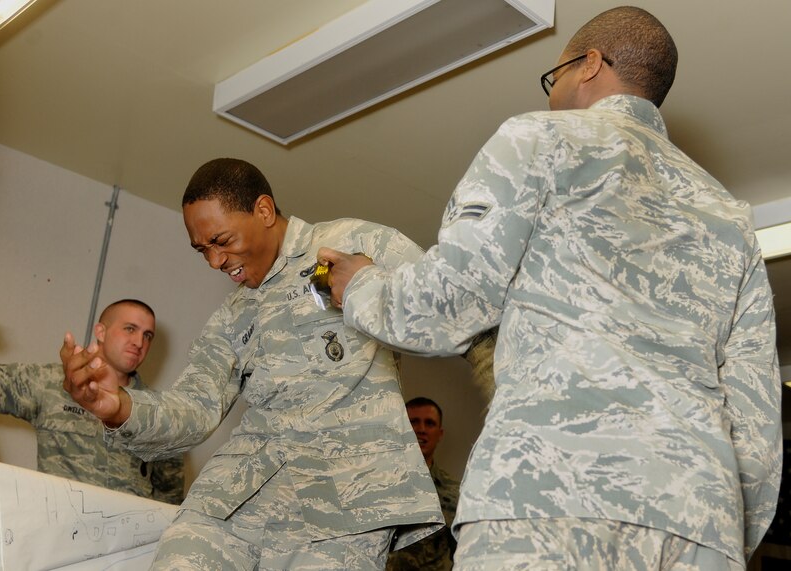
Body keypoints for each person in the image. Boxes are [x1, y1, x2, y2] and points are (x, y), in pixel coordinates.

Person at [318, 6, 782, 570]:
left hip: (543, 499)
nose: (550, 94)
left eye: (553, 76)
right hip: (695, 518)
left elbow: (449, 305)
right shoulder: (729, 216)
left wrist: (360, 284)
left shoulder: (538, 138)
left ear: (588, 64)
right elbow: (756, 424)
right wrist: (724, 532)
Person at [60, 158, 442, 570]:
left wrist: (370, 285)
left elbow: (449, 305)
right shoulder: (233, 314)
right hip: (235, 497)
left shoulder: (350, 242)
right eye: (202, 249)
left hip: (346, 503)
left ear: (262, 211)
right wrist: (118, 407)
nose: (214, 261)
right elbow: (195, 406)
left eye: (221, 241)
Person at [0, 297, 185, 505]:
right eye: (130, 329)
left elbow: (169, 502)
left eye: (148, 335)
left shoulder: (157, 412)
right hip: (59, 542)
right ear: (101, 331)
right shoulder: (50, 383)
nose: (139, 342)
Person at [387, 397, 459, 571]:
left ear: (440, 434)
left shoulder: (453, 492)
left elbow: (463, 555)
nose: (421, 430)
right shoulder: (372, 485)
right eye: (413, 422)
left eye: (430, 423)